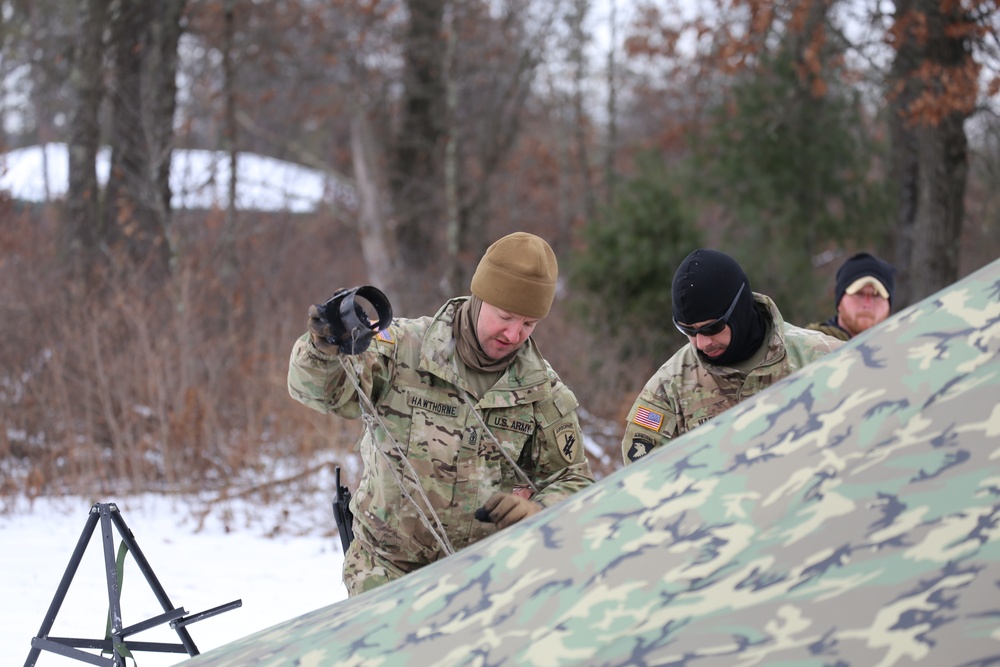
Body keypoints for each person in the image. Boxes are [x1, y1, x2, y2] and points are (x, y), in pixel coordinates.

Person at [288, 231, 595, 596]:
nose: (514, 334)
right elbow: (318, 392)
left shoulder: (540, 390)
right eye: (506, 316)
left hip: (482, 581)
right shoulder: (402, 350)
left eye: (529, 324)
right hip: (385, 572)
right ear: (480, 298)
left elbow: (573, 479)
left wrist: (541, 510)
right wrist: (322, 350)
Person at [621, 248, 843, 465]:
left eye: (712, 328)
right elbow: (645, 484)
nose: (701, 343)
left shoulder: (825, 357)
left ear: (740, 309)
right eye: (688, 331)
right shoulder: (667, 390)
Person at [806, 252, 896, 341]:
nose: (867, 305)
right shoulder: (806, 346)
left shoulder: (902, 349)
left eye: (876, 295)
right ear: (839, 301)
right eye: (859, 293)